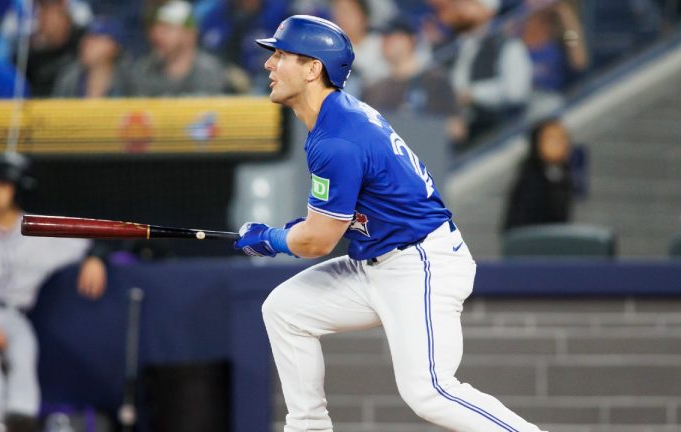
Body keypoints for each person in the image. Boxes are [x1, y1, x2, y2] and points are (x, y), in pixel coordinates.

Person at [234, 14, 547, 432]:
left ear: (313, 69)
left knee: (429, 391)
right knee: (285, 310)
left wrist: (272, 238)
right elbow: (337, 219)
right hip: (377, 260)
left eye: (282, 55)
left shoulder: (337, 137)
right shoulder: (337, 117)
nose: (269, 64)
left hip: (419, 262)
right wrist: (301, 230)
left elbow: (317, 242)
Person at [0, 152, 107, 432]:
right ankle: (8, 425)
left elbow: (94, 239)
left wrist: (95, 258)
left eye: (2, 185)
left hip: (13, 316)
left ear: (18, 190)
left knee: (24, 350)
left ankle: (22, 422)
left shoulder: (39, 231)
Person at [362, 15, 467, 144]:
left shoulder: (435, 80)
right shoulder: (374, 91)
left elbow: (457, 129)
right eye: (384, 37)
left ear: (411, 39)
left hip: (428, 151)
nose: (387, 41)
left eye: (394, 35)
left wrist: (414, 128)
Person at [442, 0, 532, 142]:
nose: (461, 8)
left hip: (497, 133)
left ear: (488, 11)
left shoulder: (507, 45)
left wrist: (473, 93)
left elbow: (516, 92)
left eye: (470, 4)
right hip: (459, 135)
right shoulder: (450, 48)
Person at [131, 0, 227, 96]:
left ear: (190, 33)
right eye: (153, 28)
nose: (156, 35)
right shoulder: (143, 71)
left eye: (167, 28)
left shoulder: (210, 73)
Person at [502, 118, 573, 232]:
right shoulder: (530, 181)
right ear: (537, 143)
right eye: (552, 139)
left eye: (563, 138)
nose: (561, 144)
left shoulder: (561, 175)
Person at [52, 16, 133, 98]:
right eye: (86, 36)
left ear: (115, 47)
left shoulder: (129, 81)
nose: (86, 42)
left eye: (96, 38)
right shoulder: (69, 79)